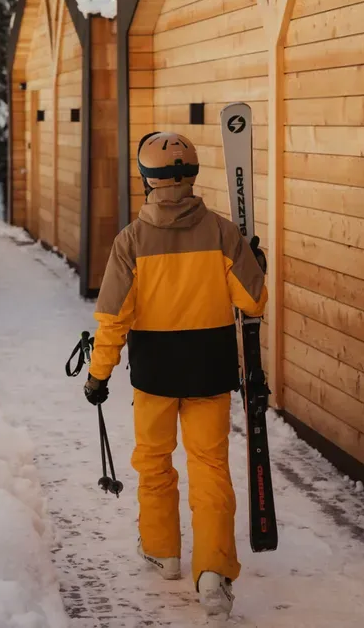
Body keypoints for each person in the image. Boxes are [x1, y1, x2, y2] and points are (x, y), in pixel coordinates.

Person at [82, 131, 267, 618]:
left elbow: (113, 318)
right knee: (209, 468)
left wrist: (97, 376)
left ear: (147, 180)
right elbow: (253, 302)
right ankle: (213, 573)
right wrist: (256, 264)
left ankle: (163, 552)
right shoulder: (224, 234)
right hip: (210, 368)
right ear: (193, 175)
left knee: (154, 461)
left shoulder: (131, 241)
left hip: (155, 373)